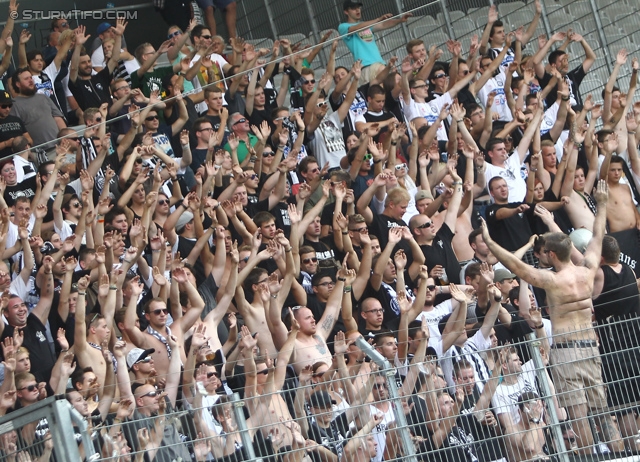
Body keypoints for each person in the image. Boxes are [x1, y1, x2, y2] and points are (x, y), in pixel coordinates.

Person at [480, 180, 624, 453]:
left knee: (579, 416)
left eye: (546, 252)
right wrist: (602, 203)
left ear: (553, 254)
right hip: (591, 347)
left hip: (567, 351)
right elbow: (597, 235)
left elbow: (516, 266)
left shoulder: (552, 280)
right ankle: (620, 455)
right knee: (602, 411)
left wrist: (489, 242)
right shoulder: (588, 269)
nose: (543, 255)